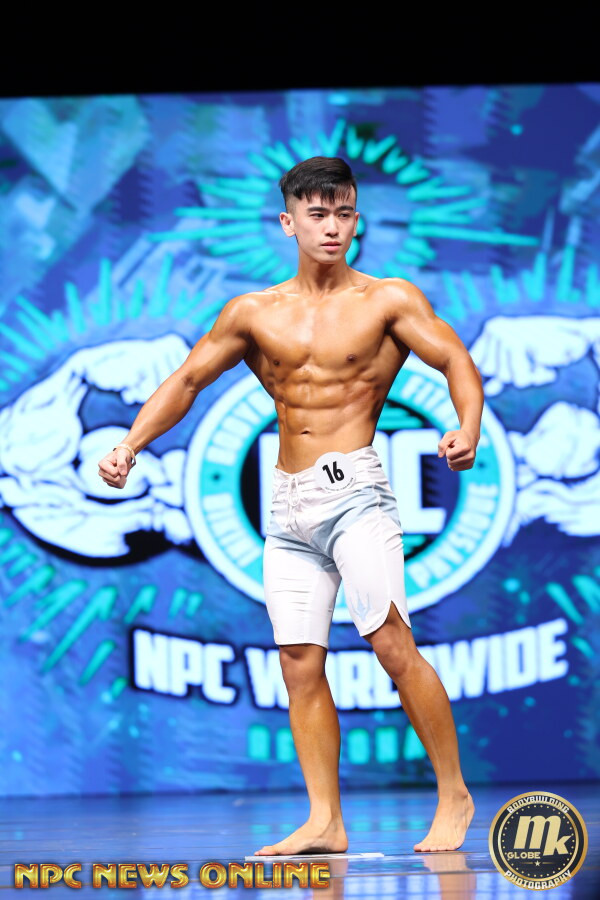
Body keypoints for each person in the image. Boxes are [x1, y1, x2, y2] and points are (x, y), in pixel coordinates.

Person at [98, 156, 482, 854]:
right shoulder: (253, 313)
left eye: (344, 214)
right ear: (289, 222)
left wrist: (468, 428)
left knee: (390, 643)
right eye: (318, 214)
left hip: (356, 492)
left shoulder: (387, 301)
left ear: (357, 221)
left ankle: (454, 793)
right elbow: (186, 381)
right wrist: (130, 443)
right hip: (287, 505)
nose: (332, 227)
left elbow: (456, 360)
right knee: (299, 662)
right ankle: (325, 820)